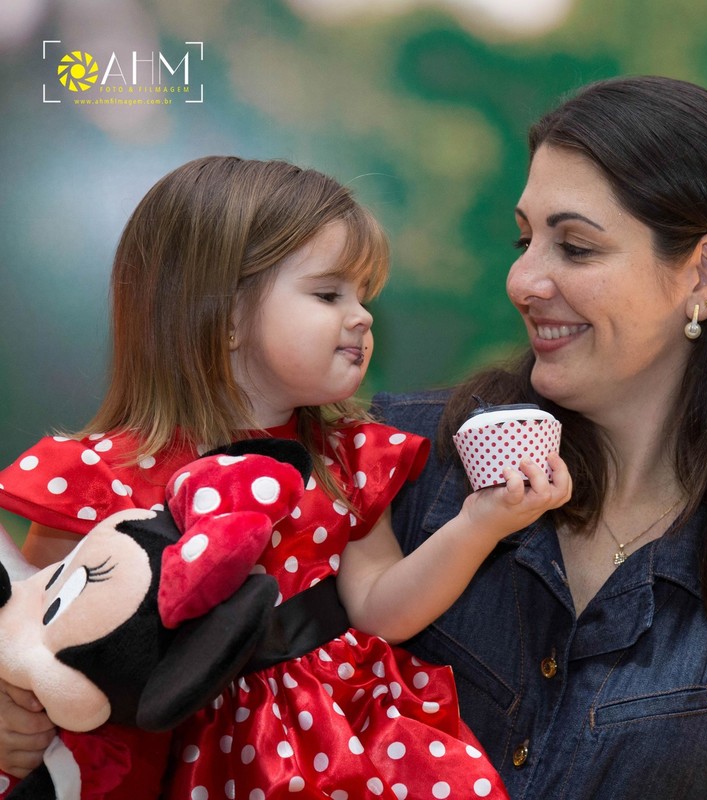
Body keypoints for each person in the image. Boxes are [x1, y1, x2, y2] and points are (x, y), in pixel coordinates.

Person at [373, 75, 707, 798]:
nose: (522, 279)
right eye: (524, 240)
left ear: (704, 275)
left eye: (576, 248)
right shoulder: (408, 458)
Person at [0, 155, 570, 799]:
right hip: (152, 756)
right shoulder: (99, 476)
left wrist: (480, 524)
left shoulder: (343, 457)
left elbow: (380, 608)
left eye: (363, 296)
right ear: (226, 316)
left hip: (332, 748)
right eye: (329, 294)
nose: (362, 317)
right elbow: (33, 632)